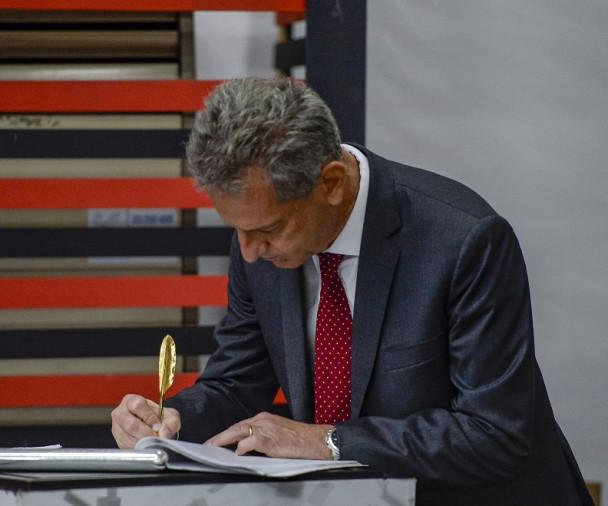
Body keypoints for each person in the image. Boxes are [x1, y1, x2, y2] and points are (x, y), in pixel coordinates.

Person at [111, 78, 591, 505]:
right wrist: (172, 419)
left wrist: (329, 441)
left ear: (332, 184)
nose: (249, 251)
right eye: (237, 230)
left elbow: (494, 434)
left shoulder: (464, 239)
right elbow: (237, 386)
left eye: (268, 230)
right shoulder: (260, 241)